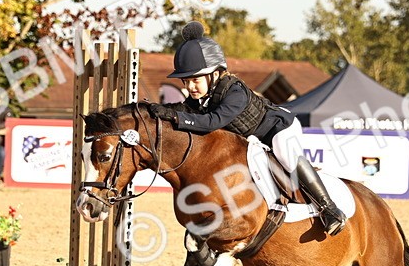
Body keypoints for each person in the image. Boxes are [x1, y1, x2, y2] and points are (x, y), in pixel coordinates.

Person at [148, 21, 346, 235]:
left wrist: (175, 117)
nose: (190, 87)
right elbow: (182, 109)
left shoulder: (235, 92)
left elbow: (213, 122)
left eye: (195, 80)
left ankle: (329, 209)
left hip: (279, 129)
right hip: (253, 142)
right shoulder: (204, 97)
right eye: (186, 82)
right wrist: (157, 110)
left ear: (215, 74)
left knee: (285, 153)